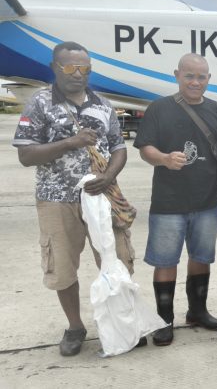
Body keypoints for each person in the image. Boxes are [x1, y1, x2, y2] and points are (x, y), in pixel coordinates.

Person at [13, 41, 135, 356]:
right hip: (57, 198)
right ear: (56, 67)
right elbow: (26, 154)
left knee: (119, 259)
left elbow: (118, 147)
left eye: (84, 68)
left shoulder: (103, 104)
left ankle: (121, 323)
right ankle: (76, 327)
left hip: (102, 195)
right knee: (63, 265)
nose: (78, 74)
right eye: (70, 67)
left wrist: (109, 175)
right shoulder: (40, 103)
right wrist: (71, 142)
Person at [133, 53, 217, 346]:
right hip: (169, 202)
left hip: (207, 200)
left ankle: (197, 311)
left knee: (201, 258)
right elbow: (144, 147)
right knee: (165, 261)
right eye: (189, 75)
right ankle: (164, 321)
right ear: (177, 75)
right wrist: (164, 158)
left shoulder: (216, 110)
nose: (195, 81)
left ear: (209, 79)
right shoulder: (159, 108)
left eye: (201, 76)